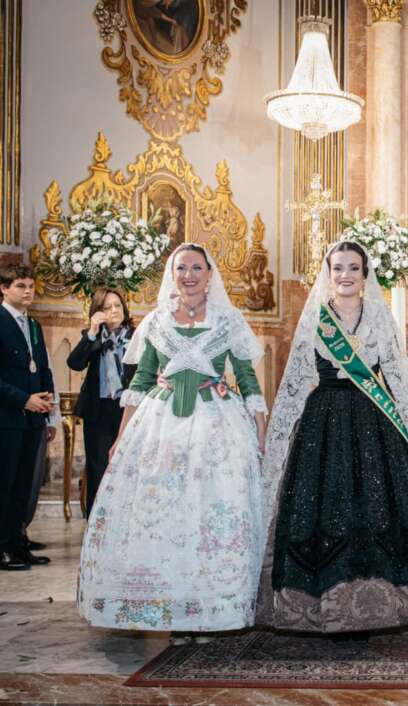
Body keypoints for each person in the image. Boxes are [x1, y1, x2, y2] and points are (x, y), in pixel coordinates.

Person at [257, 241, 408, 634]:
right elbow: (295, 381)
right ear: (328, 274)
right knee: (325, 502)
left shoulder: (380, 318)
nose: (345, 275)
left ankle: (386, 604)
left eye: (353, 268)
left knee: (380, 504)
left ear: (365, 275)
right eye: (338, 268)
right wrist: (276, 435)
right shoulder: (316, 318)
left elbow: (396, 377)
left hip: (374, 419)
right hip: (324, 421)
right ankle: (320, 603)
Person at [77, 244, 268, 642]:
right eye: (182, 268)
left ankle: (212, 609)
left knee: (209, 514)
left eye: (197, 268)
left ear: (210, 274)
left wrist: (260, 432)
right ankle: (172, 610)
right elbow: (141, 381)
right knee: (165, 517)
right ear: (172, 273)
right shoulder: (157, 321)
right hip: (160, 429)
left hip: (217, 428)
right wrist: (121, 438)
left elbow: (248, 381)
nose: (189, 275)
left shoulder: (227, 321)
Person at [0, 264, 58, 571]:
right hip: (7, 417)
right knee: (5, 484)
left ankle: (19, 544)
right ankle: (2, 548)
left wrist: (47, 403)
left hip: (34, 418)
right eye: (21, 285)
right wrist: (24, 399)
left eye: (31, 286)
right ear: (4, 288)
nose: (28, 291)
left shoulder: (33, 325)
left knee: (24, 485)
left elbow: (42, 367)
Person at [67, 289, 136, 515]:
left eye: (117, 305)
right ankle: (97, 521)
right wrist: (93, 332)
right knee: (98, 467)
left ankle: (124, 517)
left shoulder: (137, 336)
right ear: (98, 312)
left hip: (129, 410)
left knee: (128, 465)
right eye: (107, 307)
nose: (114, 311)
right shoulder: (93, 337)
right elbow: (75, 363)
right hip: (98, 411)